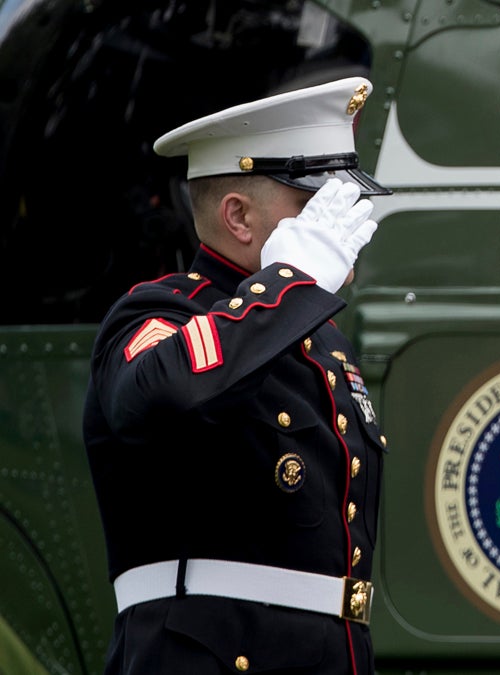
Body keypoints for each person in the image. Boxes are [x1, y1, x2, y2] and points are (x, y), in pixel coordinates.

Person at [84, 77, 390, 674]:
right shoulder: (162, 312)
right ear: (239, 217)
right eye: (312, 206)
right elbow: (160, 392)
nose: (338, 224)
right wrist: (289, 282)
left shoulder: (318, 340)